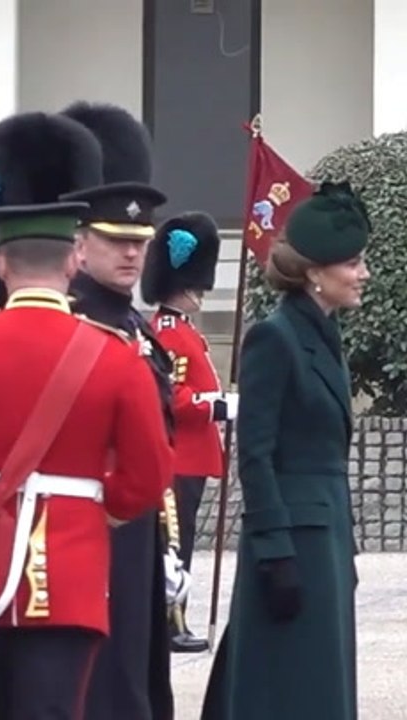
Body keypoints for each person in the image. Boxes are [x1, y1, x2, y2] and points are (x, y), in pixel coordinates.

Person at [0, 110, 173, 720]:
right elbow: (148, 478)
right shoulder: (114, 353)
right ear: (73, 258)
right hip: (70, 568)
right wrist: (98, 507)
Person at [202, 180, 370, 720]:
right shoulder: (273, 337)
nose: (364, 273)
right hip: (291, 544)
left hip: (327, 536)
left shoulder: (326, 334)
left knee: (321, 680)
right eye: (353, 263)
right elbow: (254, 453)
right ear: (315, 272)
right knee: (285, 682)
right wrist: (273, 549)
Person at [54, 100, 186, 716]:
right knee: (104, 679)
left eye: (139, 241)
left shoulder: (135, 323)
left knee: (138, 669)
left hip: (139, 523)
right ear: (78, 243)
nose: (132, 254)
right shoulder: (72, 321)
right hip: (91, 522)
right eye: (115, 241)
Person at [140, 210, 237, 650]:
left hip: (192, 457)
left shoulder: (181, 331)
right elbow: (173, 397)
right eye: (194, 287)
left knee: (181, 543)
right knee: (174, 546)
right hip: (179, 455)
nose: (200, 294)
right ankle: (170, 621)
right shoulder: (167, 333)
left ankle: (172, 618)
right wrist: (216, 405)